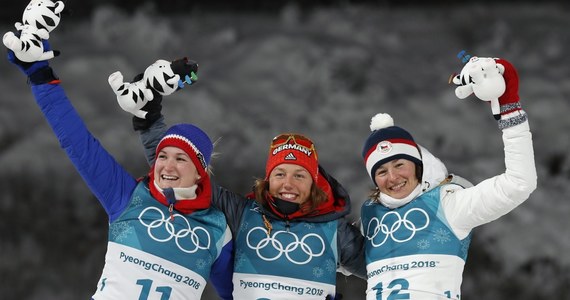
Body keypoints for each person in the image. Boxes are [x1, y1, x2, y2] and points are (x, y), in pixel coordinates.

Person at [6, 44, 234, 299]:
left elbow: (239, 292)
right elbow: (78, 143)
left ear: (200, 172)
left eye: (181, 158)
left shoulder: (217, 230)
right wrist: (40, 76)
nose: (167, 166)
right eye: (162, 156)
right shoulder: (128, 197)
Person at [125, 78, 367, 299]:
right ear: (268, 180)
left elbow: (392, 267)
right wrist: (150, 122)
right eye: (279, 174)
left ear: (314, 183)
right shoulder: (243, 214)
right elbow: (181, 175)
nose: (288, 184)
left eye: (299, 175)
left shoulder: (335, 232)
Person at [359, 57, 537, 299]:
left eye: (400, 164)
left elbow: (519, 183)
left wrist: (509, 109)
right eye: (381, 171)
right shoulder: (370, 217)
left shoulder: (448, 204)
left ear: (418, 165)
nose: (392, 177)